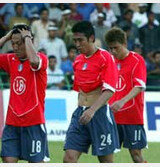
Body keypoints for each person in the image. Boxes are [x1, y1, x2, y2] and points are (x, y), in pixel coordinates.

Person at [0, 23, 49, 163]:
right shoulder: (10, 59)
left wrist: (28, 38)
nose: (15, 47)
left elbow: (34, 61)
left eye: (19, 43)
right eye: (13, 43)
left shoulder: (41, 58)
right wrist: (6, 37)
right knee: (8, 161)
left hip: (34, 122)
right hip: (12, 122)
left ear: (29, 40)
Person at [63, 21, 119, 163]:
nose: (77, 44)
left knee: (105, 161)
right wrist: (83, 109)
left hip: (99, 114)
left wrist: (92, 110)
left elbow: (110, 90)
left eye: (80, 40)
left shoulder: (105, 57)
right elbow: (80, 91)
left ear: (91, 38)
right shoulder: (78, 60)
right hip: (80, 114)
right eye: (75, 40)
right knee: (68, 158)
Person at [105, 27, 147, 163]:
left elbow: (139, 86)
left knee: (136, 155)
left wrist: (122, 101)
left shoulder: (137, 60)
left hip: (132, 116)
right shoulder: (110, 61)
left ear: (124, 43)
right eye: (110, 48)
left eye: (115, 48)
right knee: (106, 155)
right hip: (112, 116)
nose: (113, 51)